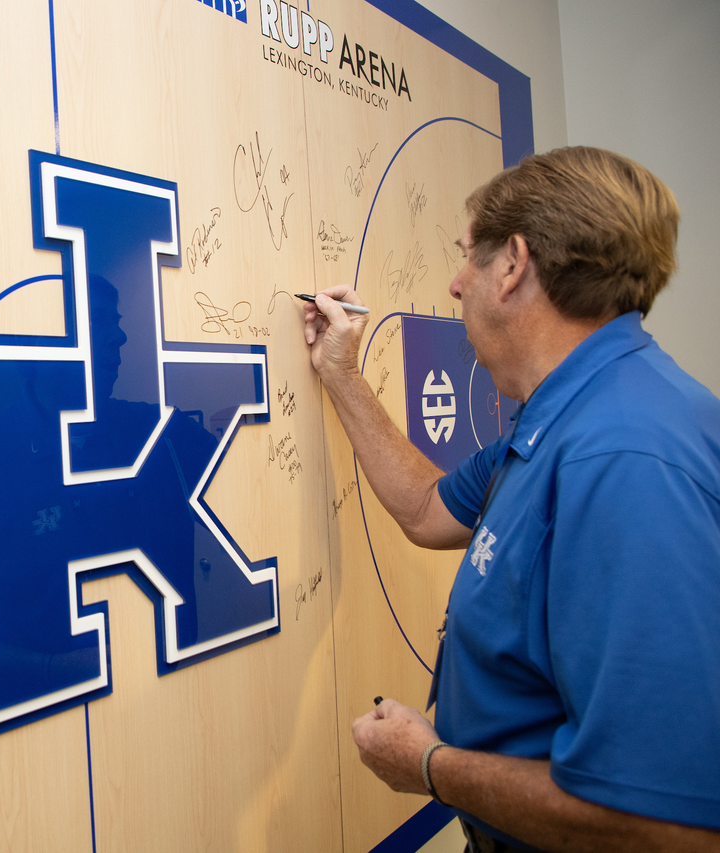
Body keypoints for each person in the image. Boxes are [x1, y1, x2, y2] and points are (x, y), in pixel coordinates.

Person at [302, 147, 720, 853]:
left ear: (514, 263)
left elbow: (668, 827)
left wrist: (432, 765)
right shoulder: (570, 411)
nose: (456, 285)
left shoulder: (621, 458)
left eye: (467, 256)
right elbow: (430, 508)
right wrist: (341, 373)